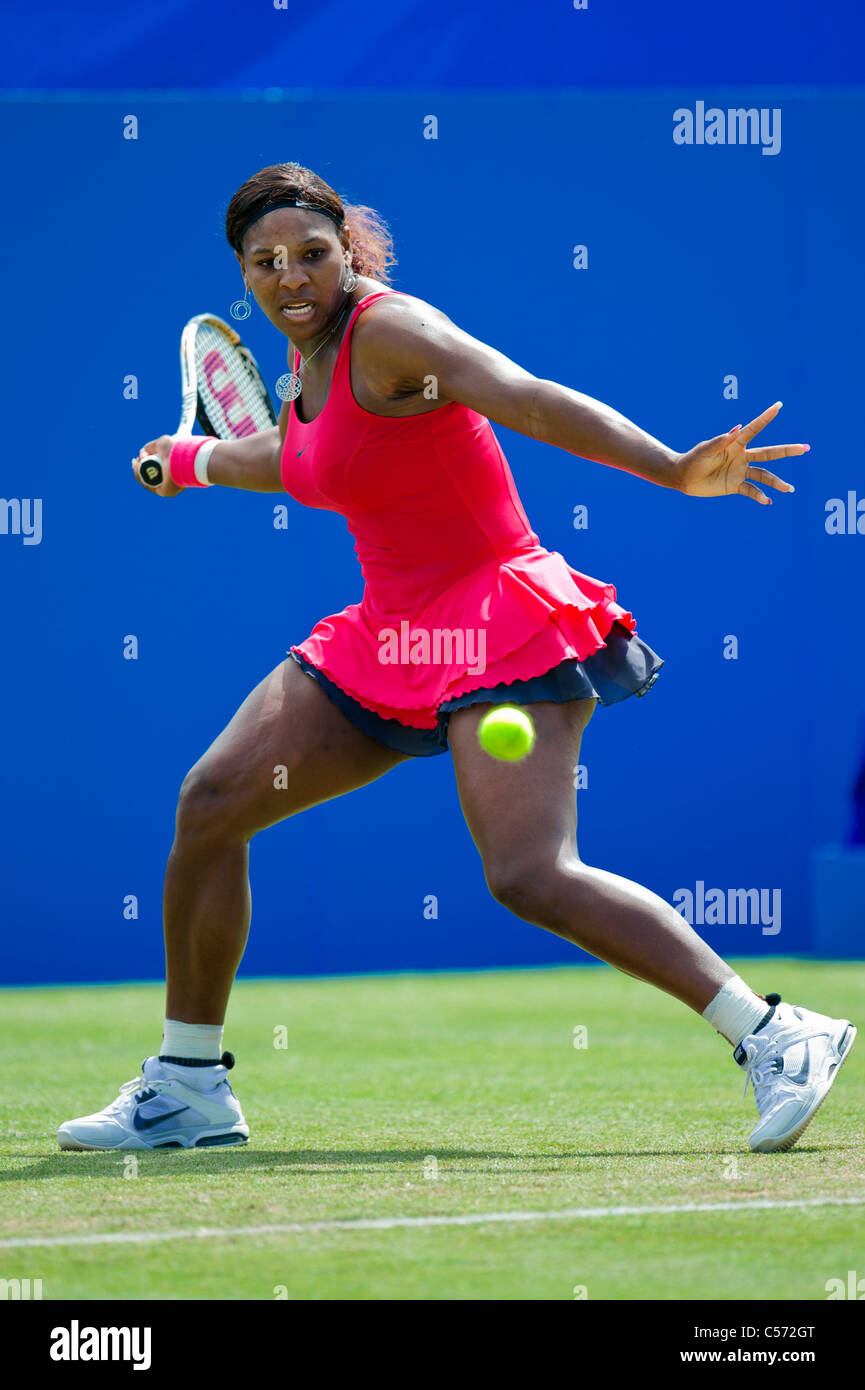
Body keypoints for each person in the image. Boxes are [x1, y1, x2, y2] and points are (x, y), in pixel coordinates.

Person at [58, 163, 855, 1156]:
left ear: (349, 249)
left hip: (497, 613)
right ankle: (187, 1085)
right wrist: (188, 461)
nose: (292, 274)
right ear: (243, 277)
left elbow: (525, 396)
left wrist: (671, 467)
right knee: (213, 801)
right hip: (388, 634)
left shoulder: (391, 333)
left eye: (312, 252)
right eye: (267, 263)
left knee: (528, 873)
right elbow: (294, 460)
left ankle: (778, 1035)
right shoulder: (304, 377)